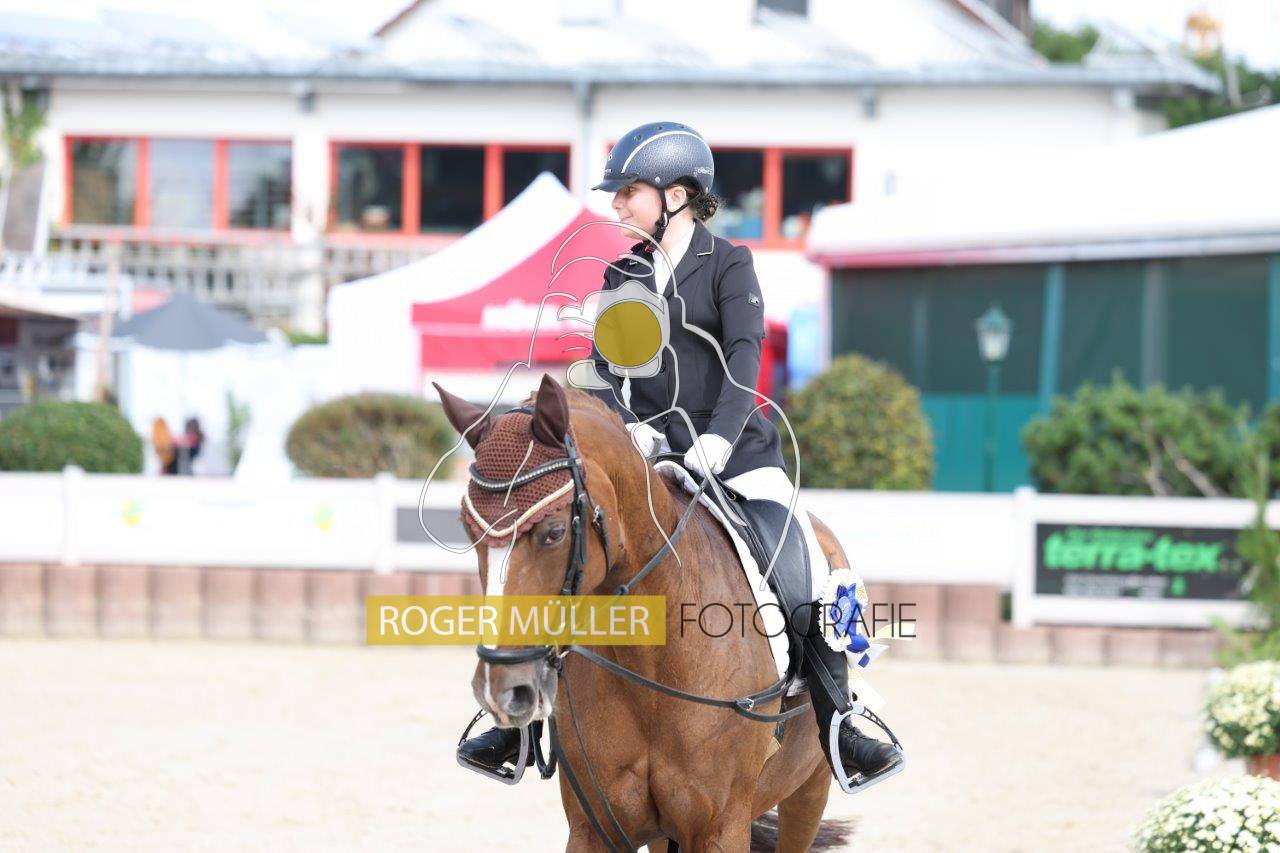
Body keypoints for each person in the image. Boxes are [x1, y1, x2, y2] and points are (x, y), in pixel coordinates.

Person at [458, 121, 902, 790]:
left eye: (628, 192)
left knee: (802, 557)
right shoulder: (624, 274)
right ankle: (519, 724)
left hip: (736, 453)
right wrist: (629, 431)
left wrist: (717, 438)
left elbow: (745, 361)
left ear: (676, 195)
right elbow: (605, 372)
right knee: (568, 552)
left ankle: (840, 716)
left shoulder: (730, 264)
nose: (616, 205)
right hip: (645, 457)